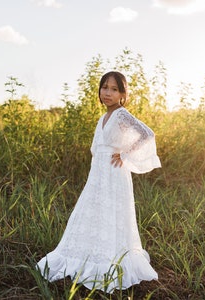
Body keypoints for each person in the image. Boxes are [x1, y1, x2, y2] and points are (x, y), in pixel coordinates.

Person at [36, 71, 161, 293]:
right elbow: (97, 148)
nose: (108, 93)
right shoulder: (102, 118)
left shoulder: (122, 115)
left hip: (114, 174)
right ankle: (86, 254)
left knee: (112, 214)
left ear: (122, 93)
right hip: (98, 174)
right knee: (92, 212)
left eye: (114, 89)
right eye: (105, 88)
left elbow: (147, 134)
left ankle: (109, 259)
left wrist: (124, 155)